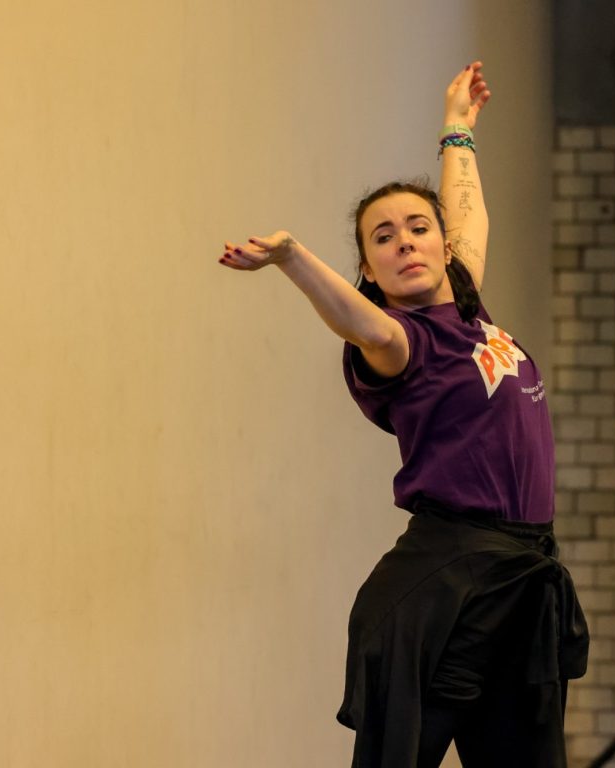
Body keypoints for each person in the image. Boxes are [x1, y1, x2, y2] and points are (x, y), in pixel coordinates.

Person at [219, 61, 589, 768]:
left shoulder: (470, 313)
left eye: (418, 228)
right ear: (369, 269)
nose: (405, 241)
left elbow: (468, 213)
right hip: (447, 585)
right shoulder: (400, 343)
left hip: (524, 578)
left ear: (443, 246)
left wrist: (457, 126)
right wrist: (292, 258)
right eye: (382, 238)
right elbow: (356, 321)